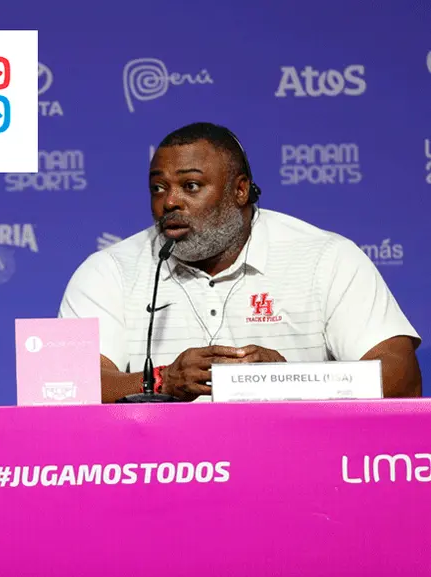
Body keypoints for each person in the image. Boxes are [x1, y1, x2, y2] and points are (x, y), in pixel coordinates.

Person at [58, 122, 422, 402]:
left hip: (298, 467)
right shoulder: (109, 270)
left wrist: (290, 381)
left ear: (240, 190)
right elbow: (63, 386)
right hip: (160, 472)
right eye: (158, 188)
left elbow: (401, 376)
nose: (169, 202)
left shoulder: (325, 258)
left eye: (191, 186)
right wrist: (162, 380)